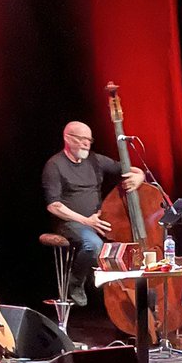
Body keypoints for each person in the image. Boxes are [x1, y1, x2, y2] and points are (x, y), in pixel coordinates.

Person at [42, 121, 144, 306]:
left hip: (97, 220)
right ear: (67, 138)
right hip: (70, 222)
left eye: (88, 139)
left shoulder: (96, 160)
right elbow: (54, 206)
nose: (85, 143)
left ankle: (125, 302)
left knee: (126, 245)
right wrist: (86, 221)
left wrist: (139, 176)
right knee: (93, 245)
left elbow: (129, 168)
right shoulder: (54, 165)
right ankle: (75, 283)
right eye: (81, 139)